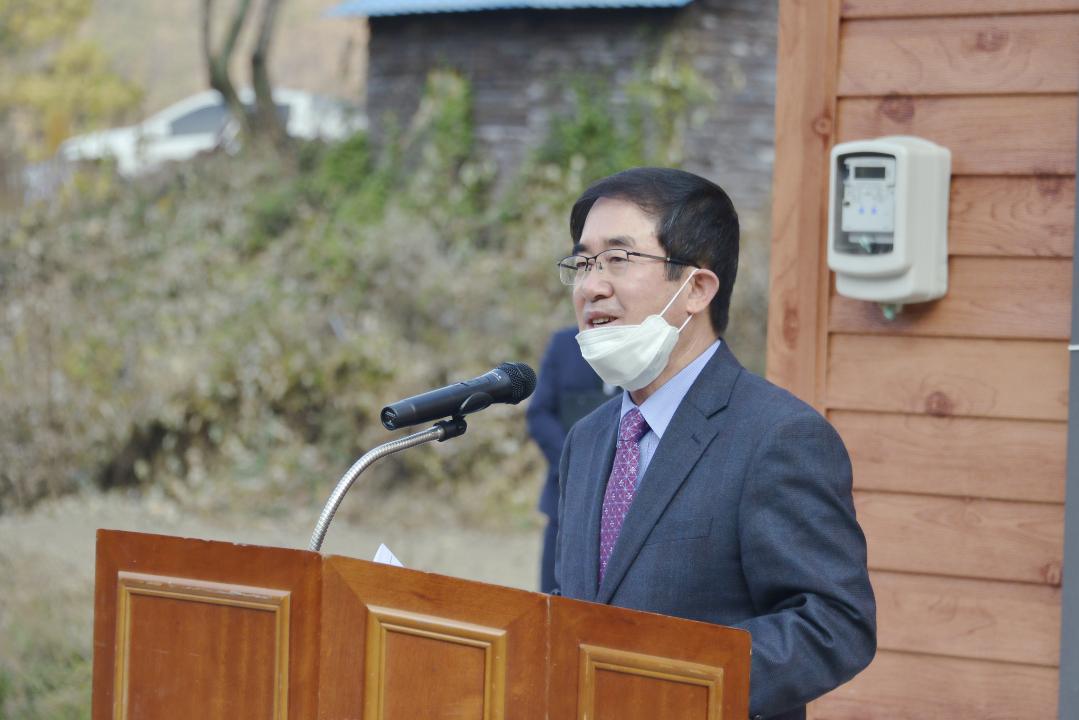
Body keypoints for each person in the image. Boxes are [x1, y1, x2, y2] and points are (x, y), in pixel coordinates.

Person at [552, 167, 876, 720]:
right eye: (582, 262)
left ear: (696, 288)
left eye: (618, 259)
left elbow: (834, 623)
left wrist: (677, 683)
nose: (591, 286)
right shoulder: (588, 439)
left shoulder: (778, 435)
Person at [526, 325, 614, 592]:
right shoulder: (564, 344)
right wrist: (576, 461)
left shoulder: (647, 346)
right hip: (564, 497)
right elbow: (539, 413)